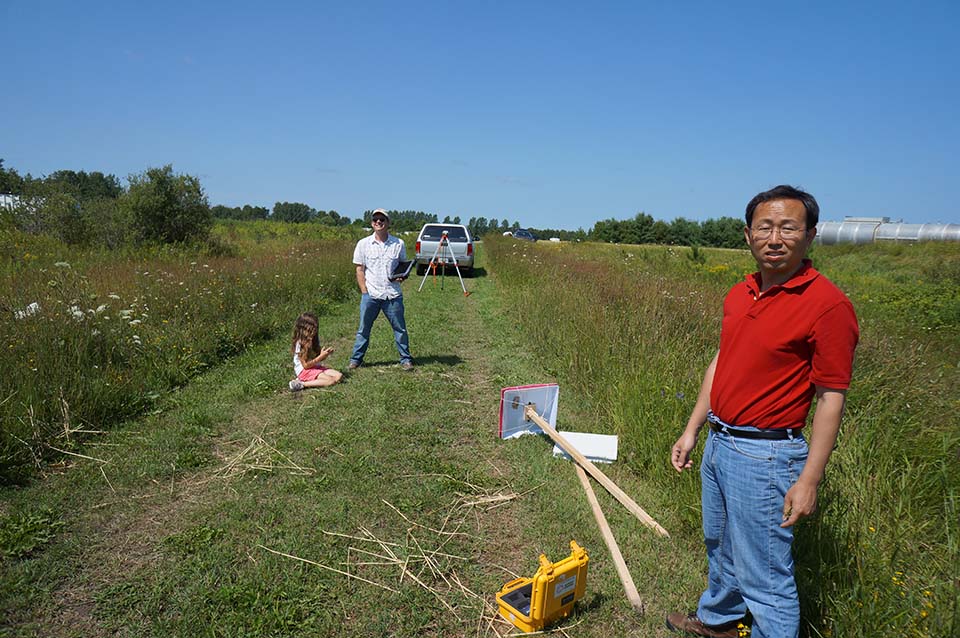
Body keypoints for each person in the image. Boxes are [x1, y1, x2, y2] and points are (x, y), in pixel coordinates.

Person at [667, 185, 859, 638]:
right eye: (765, 227)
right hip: (720, 442)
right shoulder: (740, 293)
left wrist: (809, 479)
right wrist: (693, 428)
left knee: (767, 577)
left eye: (788, 227)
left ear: (810, 236)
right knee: (722, 548)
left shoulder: (828, 305)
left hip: (766, 457)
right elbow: (723, 361)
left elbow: (832, 396)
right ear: (749, 235)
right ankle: (718, 621)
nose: (775, 237)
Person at [348, 208, 414, 371]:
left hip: (393, 294)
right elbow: (359, 269)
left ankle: (405, 359)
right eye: (375, 219)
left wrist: (402, 276)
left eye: (382, 219)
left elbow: (402, 266)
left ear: (388, 223)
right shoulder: (363, 244)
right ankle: (356, 360)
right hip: (371, 294)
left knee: (400, 328)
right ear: (372, 223)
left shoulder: (398, 243)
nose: (378, 222)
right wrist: (364, 291)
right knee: (364, 329)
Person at [289, 312, 343, 391]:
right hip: (304, 371)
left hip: (315, 367)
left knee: (339, 376)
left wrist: (324, 354)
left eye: (316, 328)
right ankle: (301, 383)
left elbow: (317, 358)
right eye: (312, 329)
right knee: (330, 381)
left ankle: (312, 379)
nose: (315, 331)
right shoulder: (301, 344)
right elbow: (306, 365)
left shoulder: (312, 340)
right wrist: (321, 357)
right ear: (304, 329)